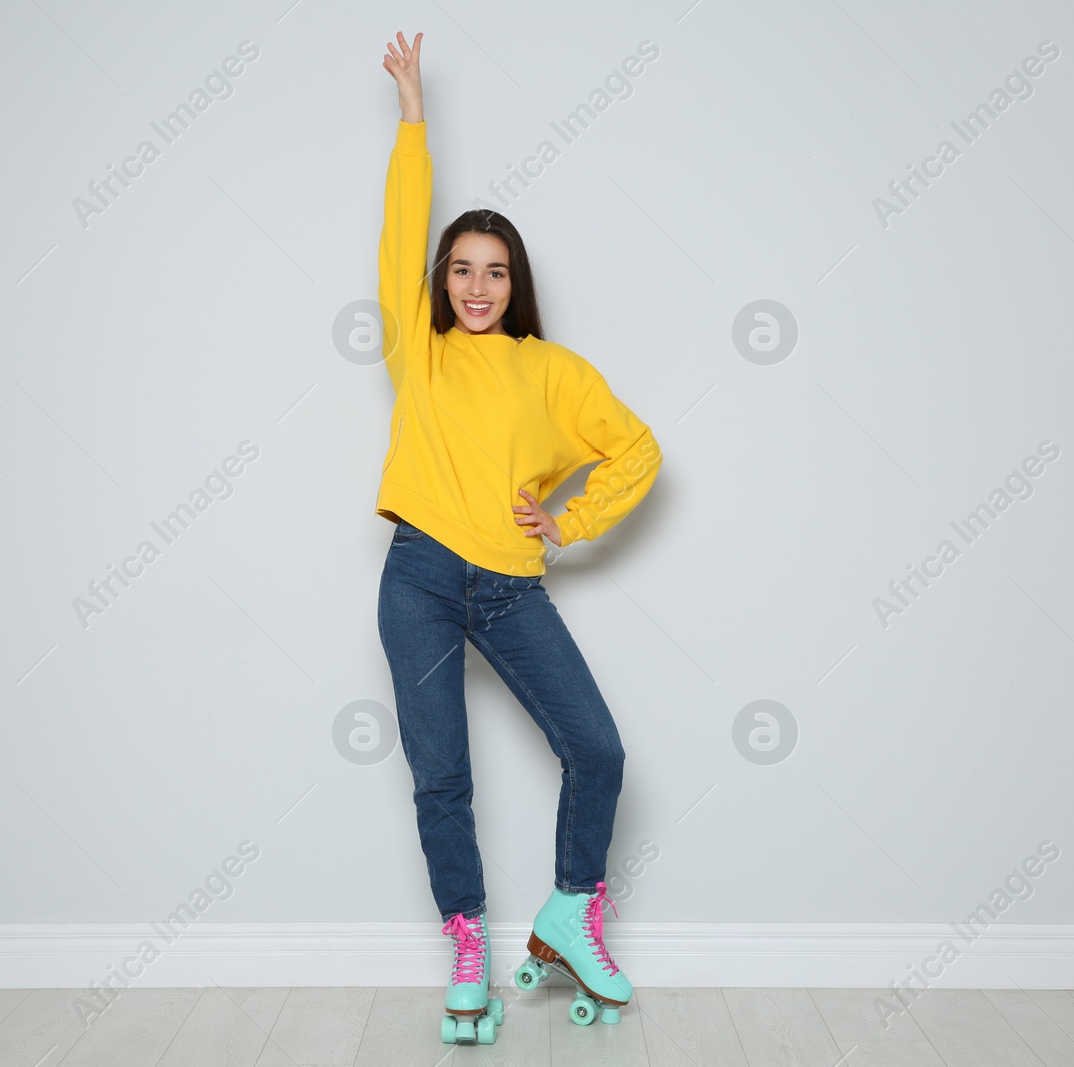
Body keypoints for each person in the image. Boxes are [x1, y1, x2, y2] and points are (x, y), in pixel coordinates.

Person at [373, 30, 662, 1042]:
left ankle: (566, 908)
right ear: (442, 280)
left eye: (494, 271)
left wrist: (568, 520)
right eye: (461, 269)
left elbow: (637, 451)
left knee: (597, 748)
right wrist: (414, 117)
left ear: (515, 279)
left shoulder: (550, 370)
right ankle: (467, 942)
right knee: (441, 773)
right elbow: (402, 224)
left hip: (507, 583)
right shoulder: (421, 348)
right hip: (415, 574)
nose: (477, 286)